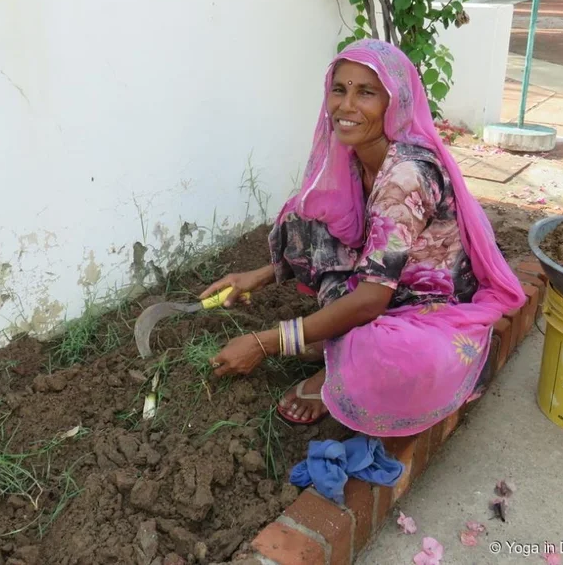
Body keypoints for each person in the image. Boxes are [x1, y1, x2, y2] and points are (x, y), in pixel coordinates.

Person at [199, 39, 525, 436]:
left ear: (394, 103)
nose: (346, 106)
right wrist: (257, 275)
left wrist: (266, 343)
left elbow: (372, 300)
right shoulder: (352, 157)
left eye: (366, 93)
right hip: (379, 278)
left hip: (423, 307)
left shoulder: (405, 177)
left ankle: (336, 359)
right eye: (340, 89)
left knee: (393, 358)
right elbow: (330, 238)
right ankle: (333, 343)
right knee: (309, 214)